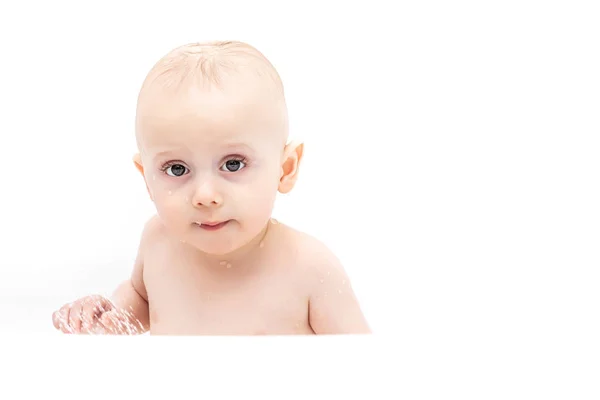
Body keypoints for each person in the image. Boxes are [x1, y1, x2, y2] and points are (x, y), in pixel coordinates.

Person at [51, 40, 370, 335]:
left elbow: (363, 362)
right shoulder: (158, 241)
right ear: (147, 179)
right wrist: (108, 317)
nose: (205, 196)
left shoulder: (308, 267)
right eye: (177, 169)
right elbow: (141, 300)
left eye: (233, 164)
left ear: (285, 169)